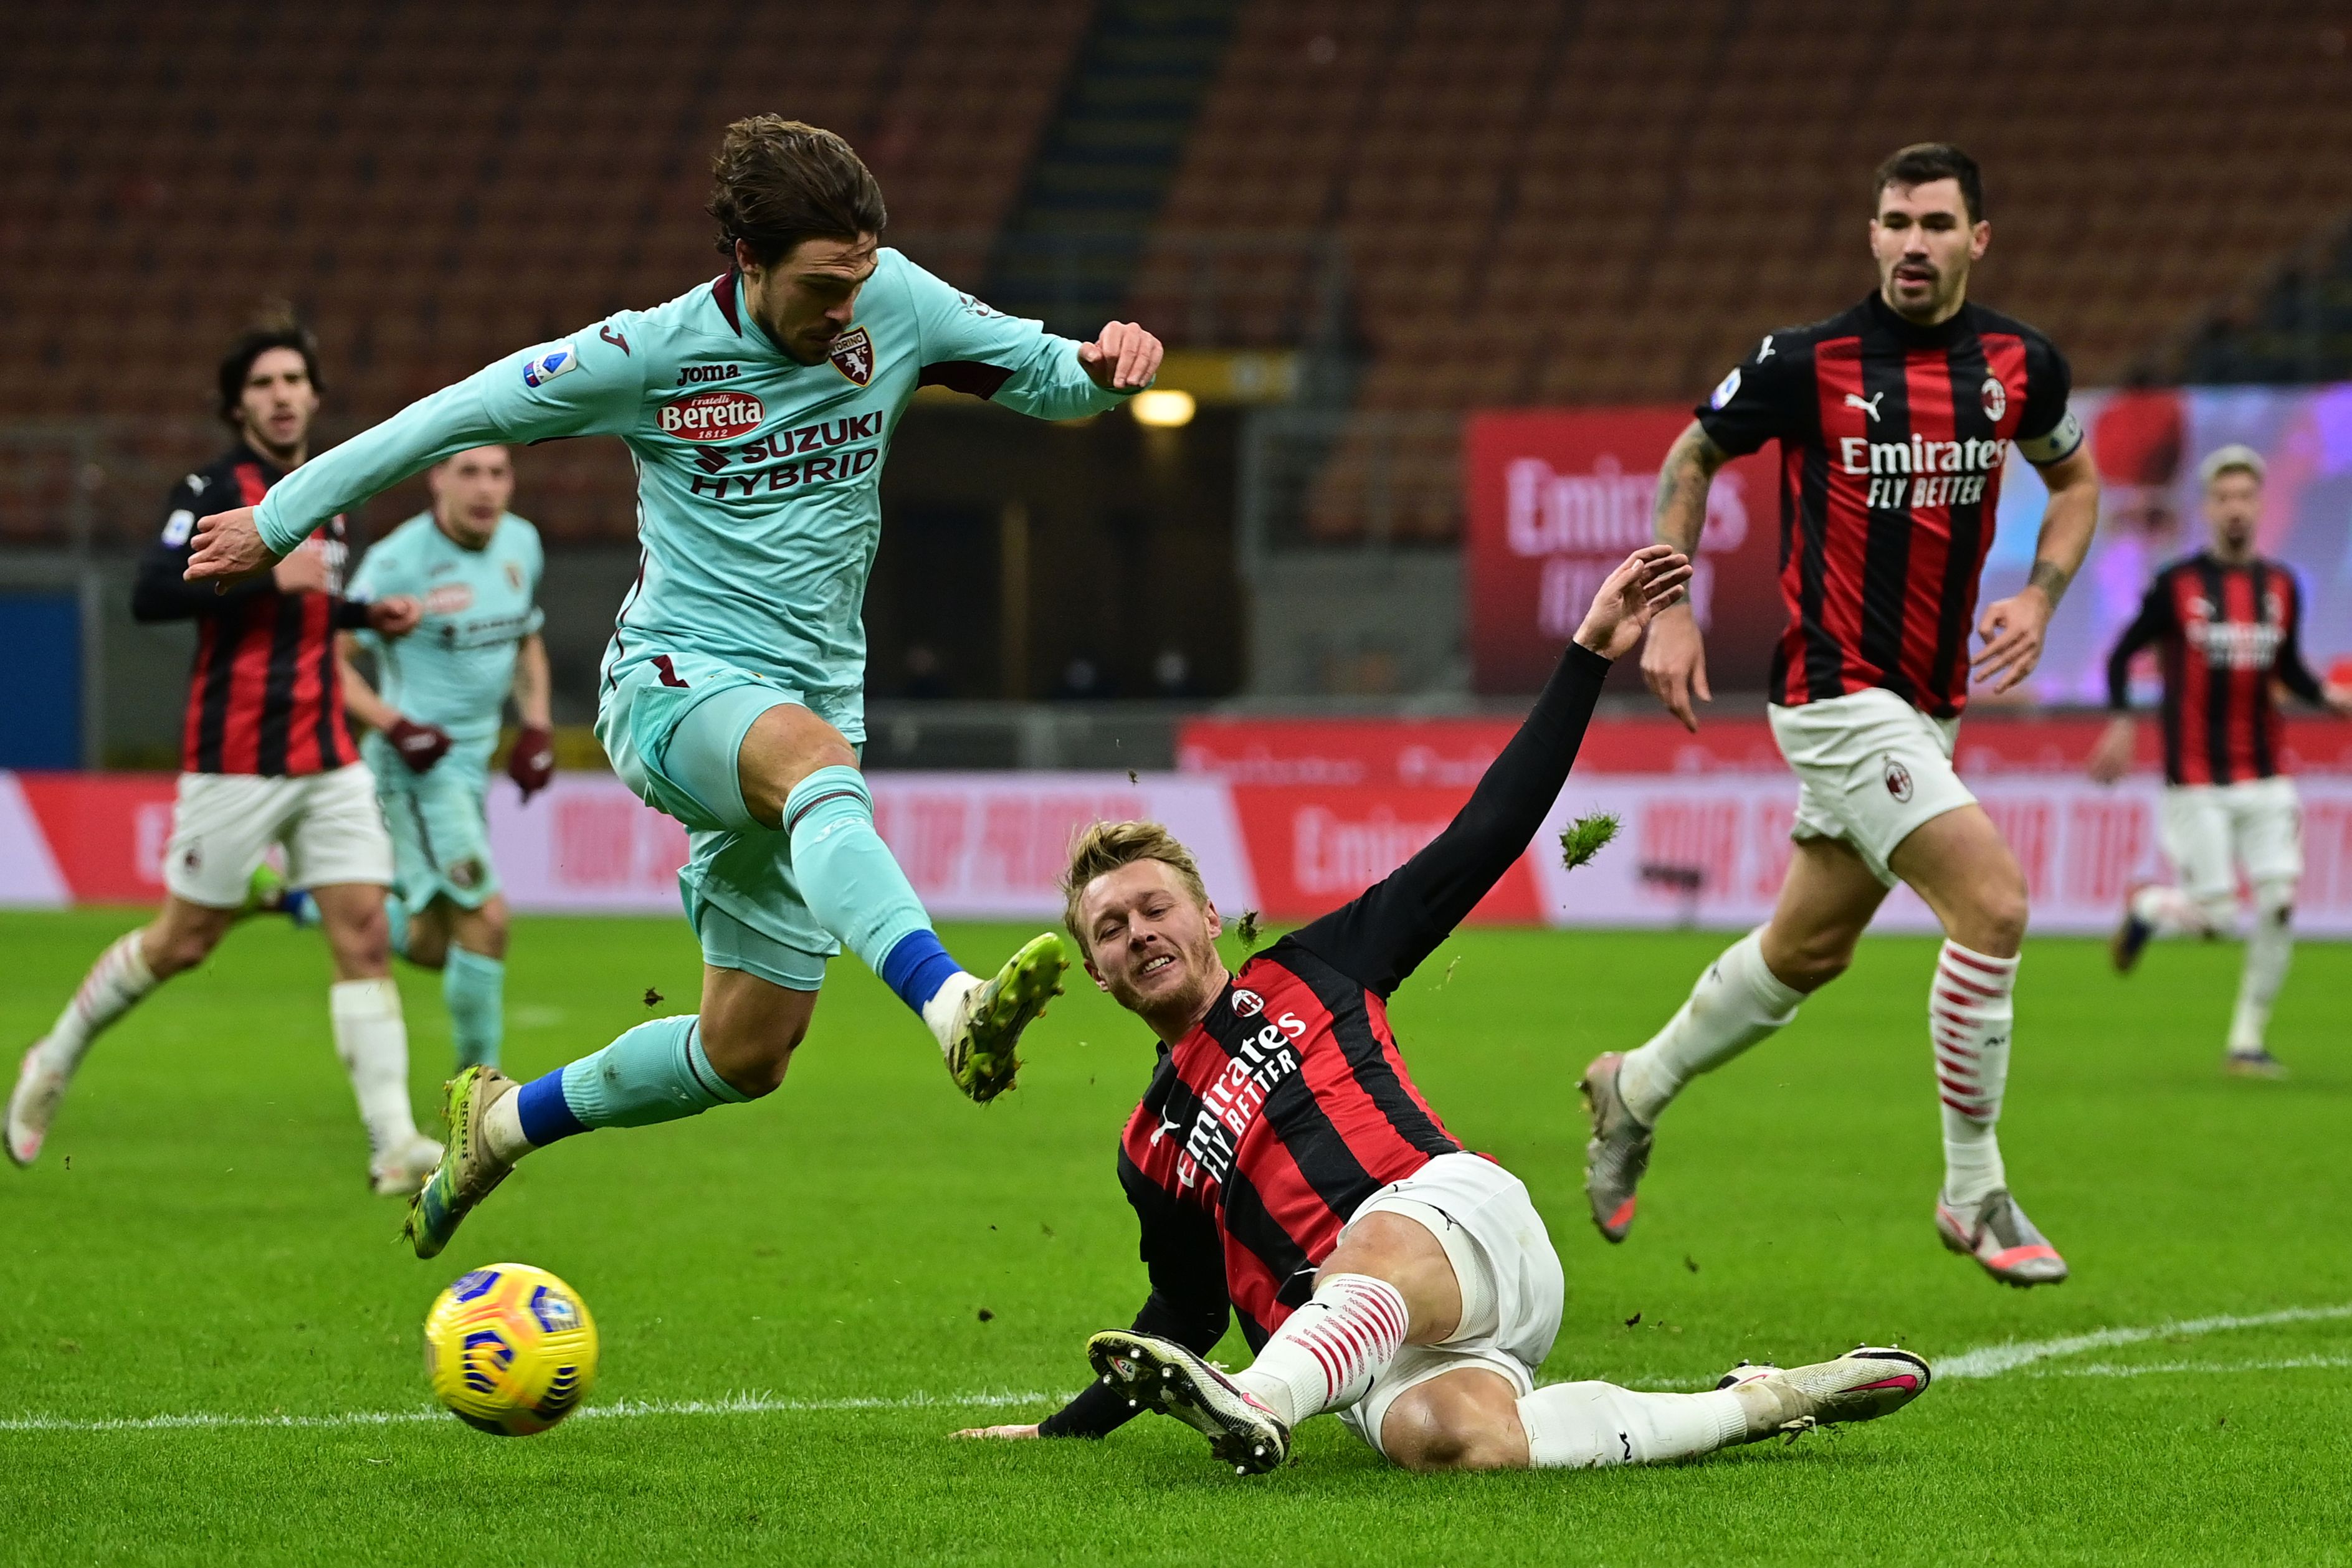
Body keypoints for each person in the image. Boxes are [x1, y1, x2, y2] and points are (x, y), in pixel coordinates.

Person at [181, 117, 1165, 1258]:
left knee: (746, 1053)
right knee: (816, 767)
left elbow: (1039, 371)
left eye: (857, 277)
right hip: (672, 683)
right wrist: (276, 518)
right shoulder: (649, 355)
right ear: (746, 263)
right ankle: (954, 1007)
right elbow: (452, 416)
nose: (847, 307)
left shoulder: (890, 296)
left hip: (806, 709)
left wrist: (1103, 370)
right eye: (820, 286)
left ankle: (498, 1124)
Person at [957, 547, 1933, 1475]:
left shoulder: (1316, 965)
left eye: (1153, 906)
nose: (1136, 931)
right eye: (1110, 928)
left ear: (1208, 916)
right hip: (1368, 1354)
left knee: (1361, 1254)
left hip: (1454, 1227)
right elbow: (1181, 1313)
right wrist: (1061, 1430)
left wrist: (1587, 652)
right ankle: (1758, 1403)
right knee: (1461, 1444)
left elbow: (1485, 832)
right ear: (1095, 974)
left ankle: (1259, 1399)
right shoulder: (1148, 1145)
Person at [1586, 143, 2102, 1288]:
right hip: (1832, 689)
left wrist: (2041, 593)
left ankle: (1636, 1086)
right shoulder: (1808, 361)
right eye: (1893, 222)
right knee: (1996, 905)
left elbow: (2076, 482)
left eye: (1934, 222)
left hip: (1927, 708)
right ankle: (1975, 1191)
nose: (1911, 242)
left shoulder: (2022, 364)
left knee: (1807, 950)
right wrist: (1668, 612)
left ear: (1979, 238)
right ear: (1871, 237)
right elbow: (1693, 451)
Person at [7, 314, 441, 1194]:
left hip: (328, 755)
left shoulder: (330, 488)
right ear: (239, 405)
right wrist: (255, 572)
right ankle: (54, 1056)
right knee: (182, 942)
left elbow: (306, 606)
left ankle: (392, 1142)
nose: (282, 397)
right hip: (236, 755)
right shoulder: (209, 487)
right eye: (264, 385)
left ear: (314, 395)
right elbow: (150, 595)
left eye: (294, 381)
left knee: (362, 932)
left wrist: (364, 616)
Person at [2090, 444, 2351, 1075]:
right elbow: (2122, 654)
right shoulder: (2176, 585)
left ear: (2259, 506)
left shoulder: (2281, 586)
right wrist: (2123, 724)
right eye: (2223, 497)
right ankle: (2151, 907)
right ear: (2208, 508)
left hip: (2265, 772)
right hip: (2196, 779)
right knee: (2214, 920)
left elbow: (2285, 667)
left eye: (2244, 497)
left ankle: (2246, 1042)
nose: (2234, 508)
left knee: (2280, 901)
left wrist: (2328, 698)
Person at [325, 444, 556, 1073]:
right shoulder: (400, 561)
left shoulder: (521, 544)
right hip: (419, 773)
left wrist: (535, 728)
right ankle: (477, 1091)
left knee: (432, 945)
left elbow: (526, 638)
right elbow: (328, 661)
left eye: (497, 473)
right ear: (438, 481)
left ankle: (320, 906)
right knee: (485, 919)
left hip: (471, 767)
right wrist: (395, 725)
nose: (485, 488)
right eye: (469, 473)